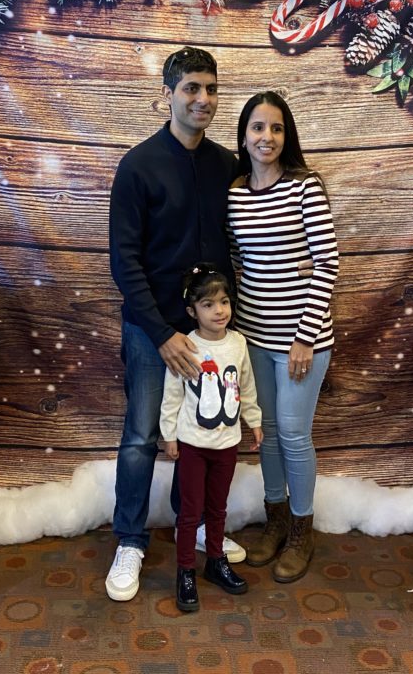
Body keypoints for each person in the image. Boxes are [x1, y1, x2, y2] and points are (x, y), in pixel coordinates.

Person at [106, 47, 244, 602]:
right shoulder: (137, 166)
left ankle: (207, 531)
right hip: (151, 330)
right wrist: (162, 333)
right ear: (166, 94)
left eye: (210, 88)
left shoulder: (227, 165)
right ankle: (132, 541)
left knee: (210, 437)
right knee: (142, 437)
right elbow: (124, 259)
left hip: (213, 332)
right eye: (191, 88)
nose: (202, 99)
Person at [227, 91, 339, 583]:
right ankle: (274, 520)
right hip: (252, 335)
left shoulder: (305, 188)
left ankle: (301, 529)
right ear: (244, 135)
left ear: (286, 135)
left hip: (301, 340)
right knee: (265, 434)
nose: (266, 137)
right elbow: (236, 262)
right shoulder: (233, 193)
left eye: (275, 128)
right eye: (257, 127)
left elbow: (327, 264)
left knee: (294, 435)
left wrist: (304, 337)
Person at [160, 264, 263, 611]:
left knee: (218, 508)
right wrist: (169, 435)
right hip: (192, 445)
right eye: (208, 304)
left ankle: (215, 562)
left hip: (227, 444)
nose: (219, 310)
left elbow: (245, 385)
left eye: (224, 302)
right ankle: (185, 570)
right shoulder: (186, 346)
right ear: (192, 310)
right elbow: (173, 394)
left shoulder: (238, 343)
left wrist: (254, 419)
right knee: (191, 513)